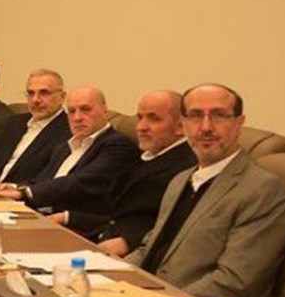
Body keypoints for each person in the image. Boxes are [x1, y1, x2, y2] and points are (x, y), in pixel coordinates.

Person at [124, 84, 285, 297]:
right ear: (183, 124)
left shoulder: (264, 190)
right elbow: (147, 248)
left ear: (239, 123)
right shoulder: (181, 180)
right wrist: (105, 279)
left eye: (219, 115)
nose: (206, 127)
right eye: (195, 116)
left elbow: (233, 282)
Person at [69, 91, 197, 256]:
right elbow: (115, 215)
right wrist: (69, 217)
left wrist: (129, 241)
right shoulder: (146, 155)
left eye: (154, 119)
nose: (141, 127)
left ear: (180, 126)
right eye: (140, 118)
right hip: (99, 240)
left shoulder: (188, 167)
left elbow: (177, 226)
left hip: (137, 255)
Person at [0, 86, 139, 217]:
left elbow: (80, 182)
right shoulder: (65, 147)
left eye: (85, 109)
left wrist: (25, 193)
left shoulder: (117, 145)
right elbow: (42, 181)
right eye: (72, 111)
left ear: (105, 111)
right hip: (38, 215)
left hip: (73, 225)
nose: (77, 117)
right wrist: (13, 187)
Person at [0, 69, 71, 185]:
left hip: (23, 193)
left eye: (44, 93)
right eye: (31, 93)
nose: (35, 100)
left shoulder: (69, 131)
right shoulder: (14, 123)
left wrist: (15, 189)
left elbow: (50, 180)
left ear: (62, 97)